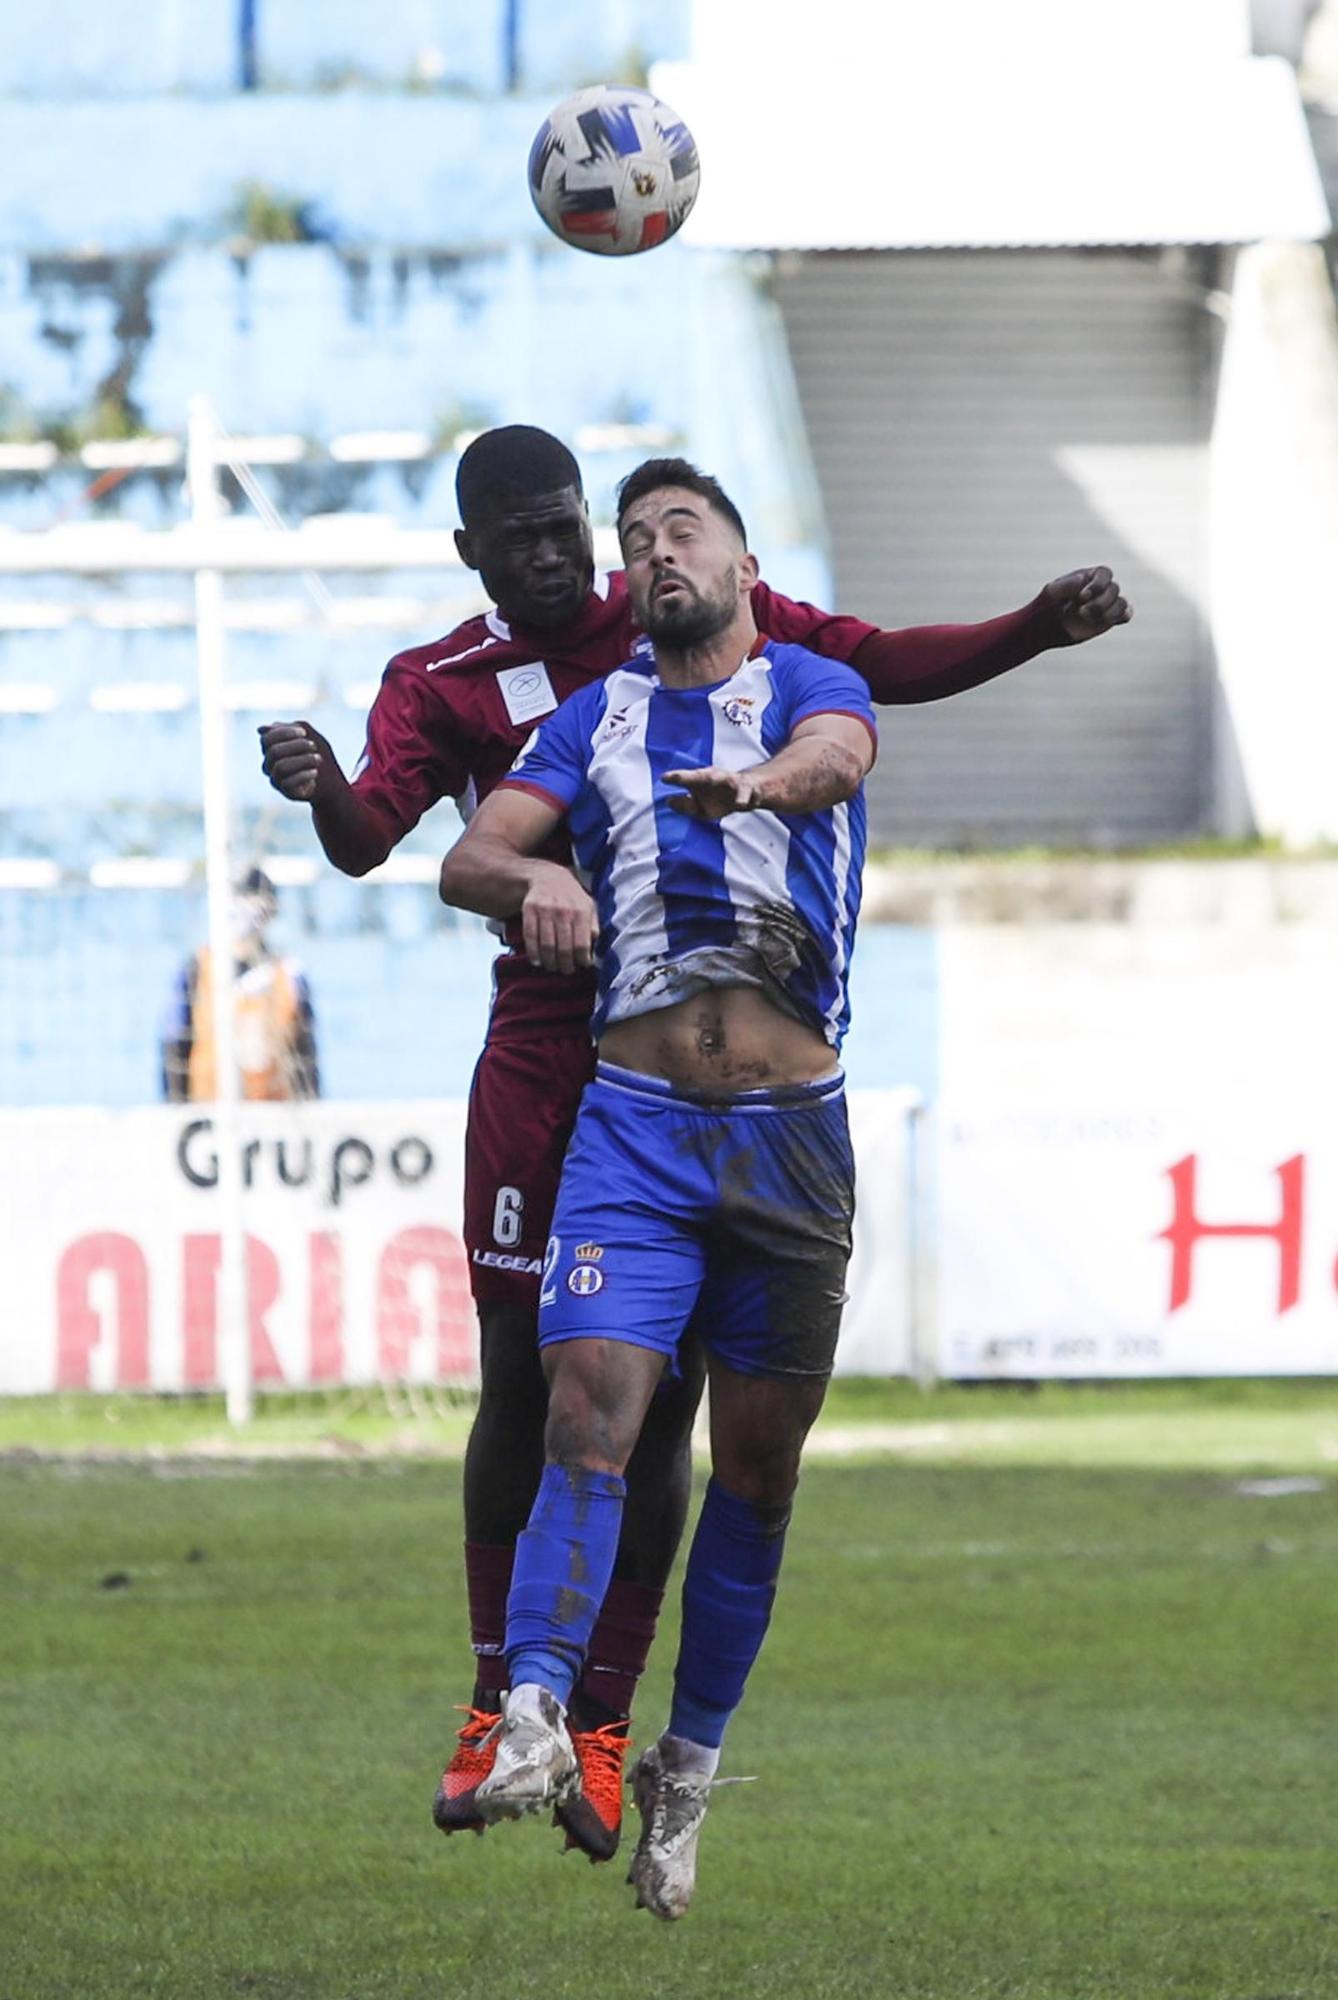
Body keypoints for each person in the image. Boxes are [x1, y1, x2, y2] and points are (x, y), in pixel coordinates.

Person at [258, 424, 1130, 1863]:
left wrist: (1033, 629)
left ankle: (599, 1724)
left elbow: (873, 679)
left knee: (664, 1421)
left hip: (721, 1078)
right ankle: (503, 1701)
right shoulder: (449, 685)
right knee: (534, 1388)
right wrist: (328, 791)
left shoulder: (672, 613)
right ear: (473, 552)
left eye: (575, 531)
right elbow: (383, 846)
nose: (570, 556)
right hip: (557, 1056)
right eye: (529, 537)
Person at [436, 457, 885, 1920]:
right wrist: (535, 883)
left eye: (680, 528)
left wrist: (752, 784)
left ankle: (686, 1771)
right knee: (583, 1414)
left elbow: (836, 763)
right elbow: (470, 853)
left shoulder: (812, 685)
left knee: (756, 1470)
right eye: (634, 541)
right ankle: (533, 1720)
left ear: (744, 567)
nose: (652, 551)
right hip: (629, 1133)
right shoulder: (595, 718)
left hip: (786, 1139)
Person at [160, 866, 319, 1102]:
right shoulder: (197, 969)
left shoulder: (288, 973)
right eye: (241, 899)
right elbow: (174, 1043)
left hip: (274, 1116)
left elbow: (306, 1054)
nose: (248, 910)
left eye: (258, 901)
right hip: (208, 1113)